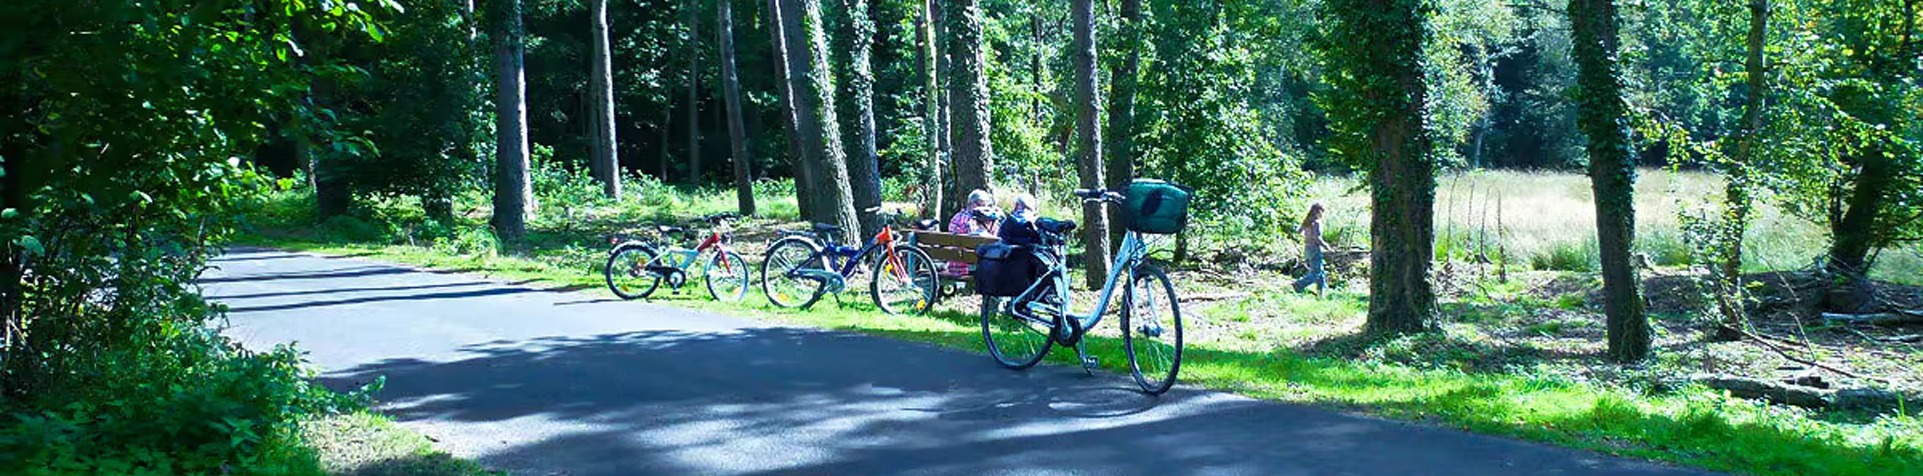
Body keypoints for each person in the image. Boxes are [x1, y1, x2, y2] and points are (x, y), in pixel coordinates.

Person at [946, 190, 1001, 275]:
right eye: (984, 205)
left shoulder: (956, 218)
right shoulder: (972, 222)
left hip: (954, 265)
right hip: (971, 268)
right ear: (974, 204)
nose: (987, 208)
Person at [1292, 203, 1329, 294]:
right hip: (1315, 249)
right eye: (1321, 212)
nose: (1322, 215)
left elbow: (1298, 231)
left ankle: (1321, 292)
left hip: (1307, 248)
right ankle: (1298, 285)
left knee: (1321, 271)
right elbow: (1317, 238)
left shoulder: (1307, 221)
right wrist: (1326, 246)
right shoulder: (1316, 223)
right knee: (1316, 273)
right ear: (1317, 211)